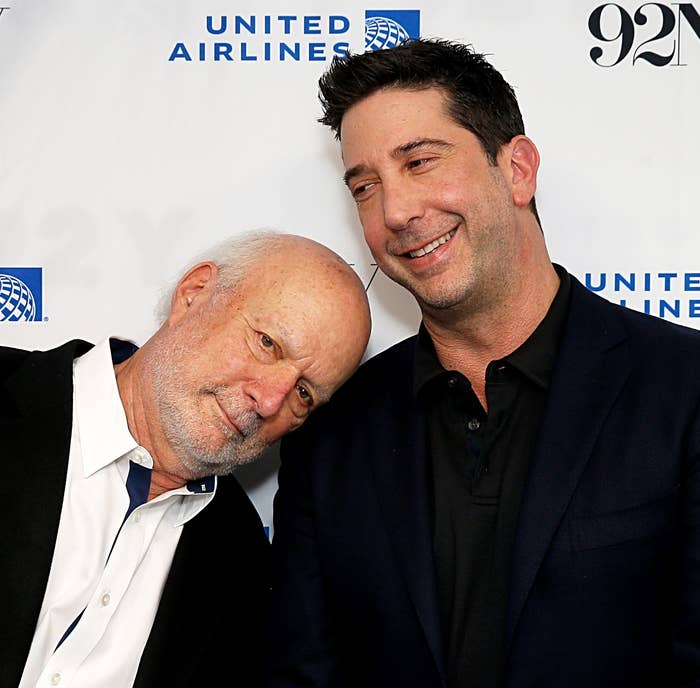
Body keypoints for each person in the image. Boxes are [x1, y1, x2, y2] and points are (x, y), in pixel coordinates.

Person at [264, 39, 700, 688]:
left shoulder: (683, 390)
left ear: (518, 169)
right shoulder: (333, 434)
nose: (396, 212)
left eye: (420, 162)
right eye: (365, 185)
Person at [1, 230, 371, 688]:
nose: (270, 400)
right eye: (268, 344)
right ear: (194, 294)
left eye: (303, 393)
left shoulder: (245, 563)